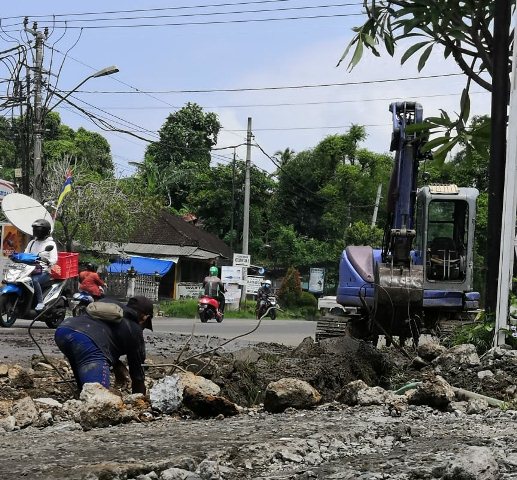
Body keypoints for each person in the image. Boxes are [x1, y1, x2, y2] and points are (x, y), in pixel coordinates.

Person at [54, 295, 154, 394]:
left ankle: (82, 392)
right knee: (98, 394)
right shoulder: (134, 329)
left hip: (64, 330)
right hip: (86, 341)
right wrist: (139, 398)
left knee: (83, 373)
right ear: (145, 318)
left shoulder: (109, 305)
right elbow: (137, 374)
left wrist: (116, 365)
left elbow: (105, 337)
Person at [24, 218, 58, 311]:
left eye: (38, 229)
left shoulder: (51, 243)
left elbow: (54, 259)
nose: (35, 231)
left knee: (34, 281)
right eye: (34, 229)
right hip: (29, 270)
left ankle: (40, 302)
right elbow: (25, 254)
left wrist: (47, 261)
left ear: (45, 231)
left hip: (43, 272)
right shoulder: (32, 243)